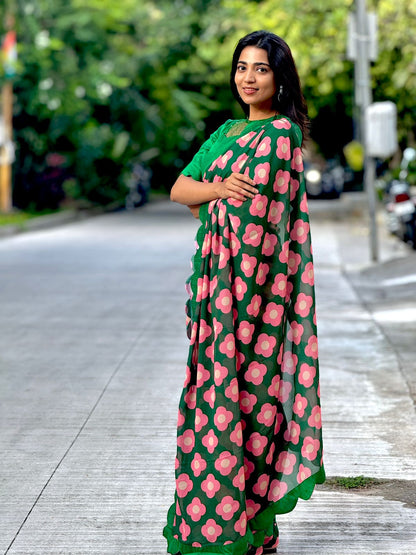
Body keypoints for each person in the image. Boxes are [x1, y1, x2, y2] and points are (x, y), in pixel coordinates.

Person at [164, 30, 325, 555]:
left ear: (279, 78)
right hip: (218, 296)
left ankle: (257, 526)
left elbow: (260, 216)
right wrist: (215, 191)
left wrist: (211, 201)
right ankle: (220, 526)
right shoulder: (228, 133)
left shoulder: (282, 137)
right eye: (241, 67)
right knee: (213, 402)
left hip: (263, 295)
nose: (247, 78)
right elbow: (181, 190)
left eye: (260, 68)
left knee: (256, 406)